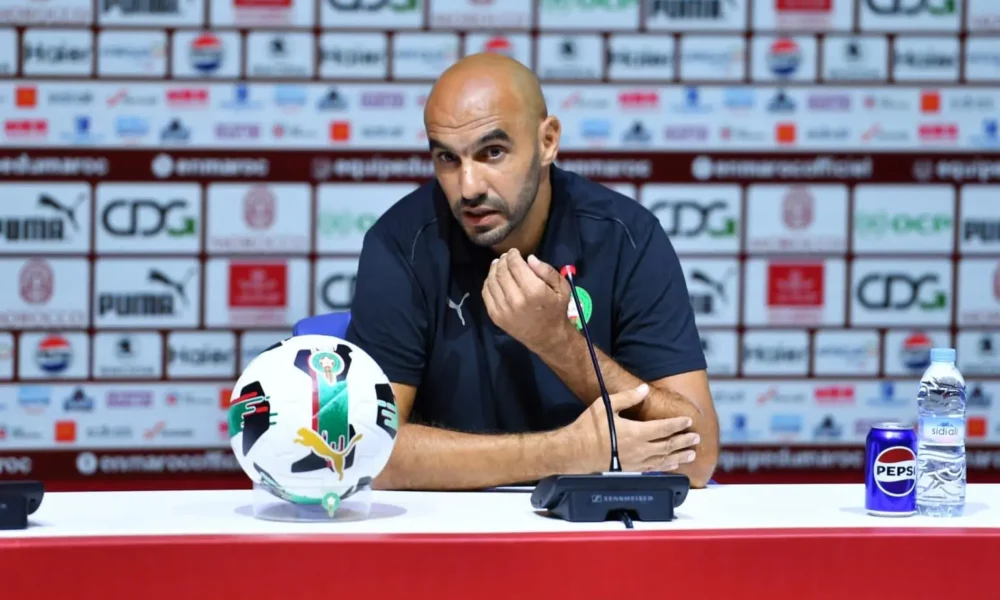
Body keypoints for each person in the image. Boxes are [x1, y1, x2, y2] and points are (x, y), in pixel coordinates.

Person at [345, 53, 719, 490]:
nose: (468, 187)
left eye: (493, 152)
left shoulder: (626, 237)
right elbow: (370, 451)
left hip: (593, 532)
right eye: (447, 159)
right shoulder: (400, 244)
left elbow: (699, 457)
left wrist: (558, 342)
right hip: (448, 523)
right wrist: (564, 452)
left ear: (548, 141)